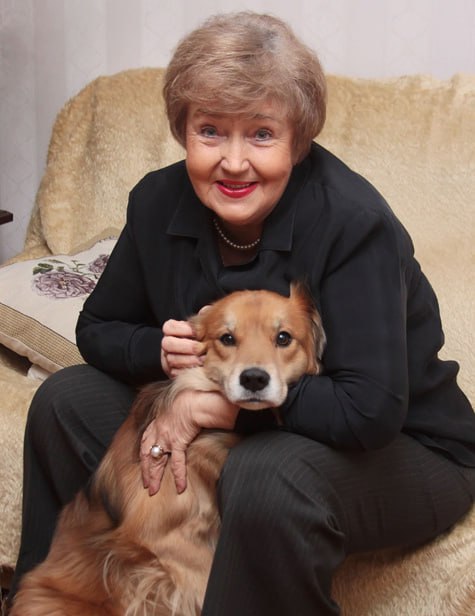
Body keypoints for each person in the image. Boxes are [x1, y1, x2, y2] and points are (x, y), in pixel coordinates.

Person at [9, 11, 475, 615]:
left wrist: (222, 407)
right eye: (210, 131)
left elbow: (370, 410)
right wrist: (159, 352)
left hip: (406, 451)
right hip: (267, 430)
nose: (233, 162)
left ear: (297, 140)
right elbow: (97, 328)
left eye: (260, 134)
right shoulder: (157, 201)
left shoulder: (353, 224)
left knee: (263, 473)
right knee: (64, 400)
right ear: (183, 131)